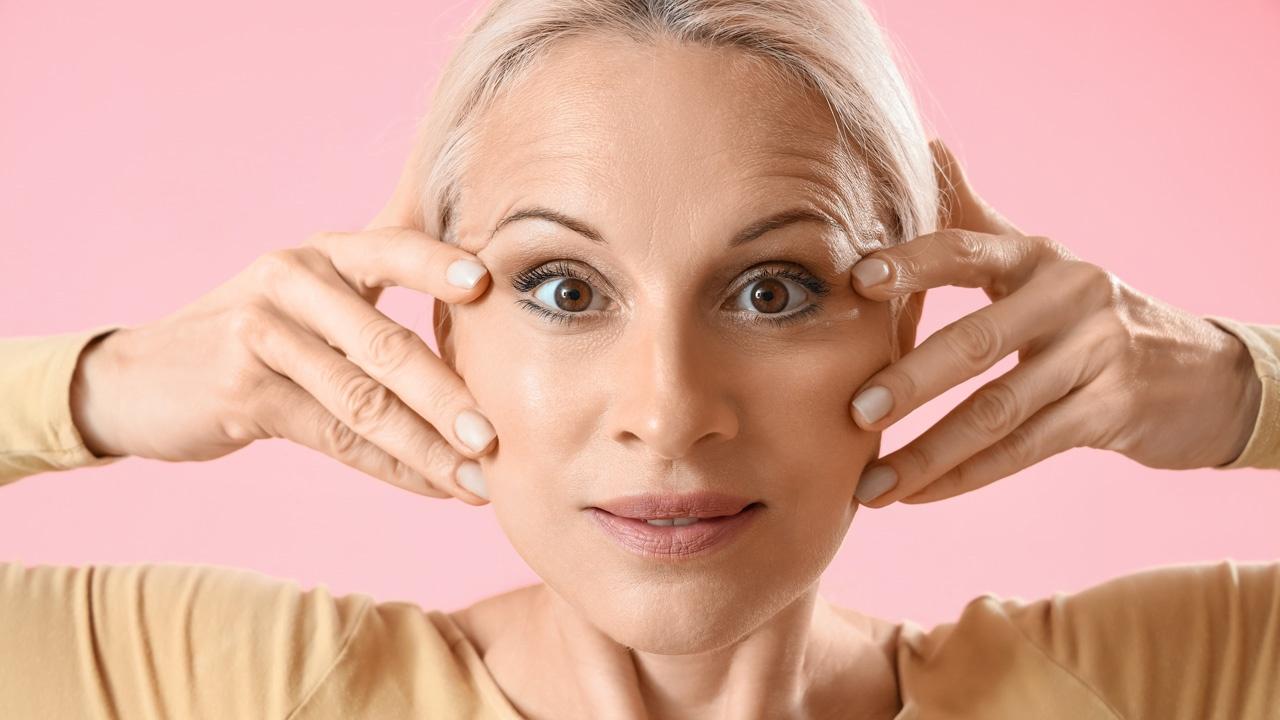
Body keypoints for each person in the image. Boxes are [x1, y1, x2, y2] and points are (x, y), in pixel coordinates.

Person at [2, 0, 1278, 718]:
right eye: (563, 288)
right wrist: (101, 387)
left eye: (772, 288)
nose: (668, 414)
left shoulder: (1126, 691)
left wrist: (1235, 387)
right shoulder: (242, 695)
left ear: (903, 323)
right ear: (444, 330)